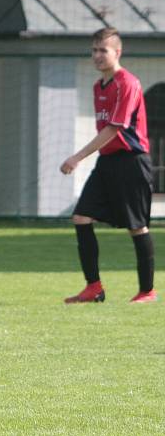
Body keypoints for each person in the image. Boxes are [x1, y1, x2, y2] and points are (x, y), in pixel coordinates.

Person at [60, 27, 157, 304]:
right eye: (94, 50)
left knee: (137, 226)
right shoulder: (98, 86)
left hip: (132, 162)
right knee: (81, 217)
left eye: (103, 50)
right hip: (108, 162)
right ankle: (94, 288)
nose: (97, 56)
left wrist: (77, 157)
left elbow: (115, 129)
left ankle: (147, 290)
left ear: (118, 52)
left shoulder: (128, 82)